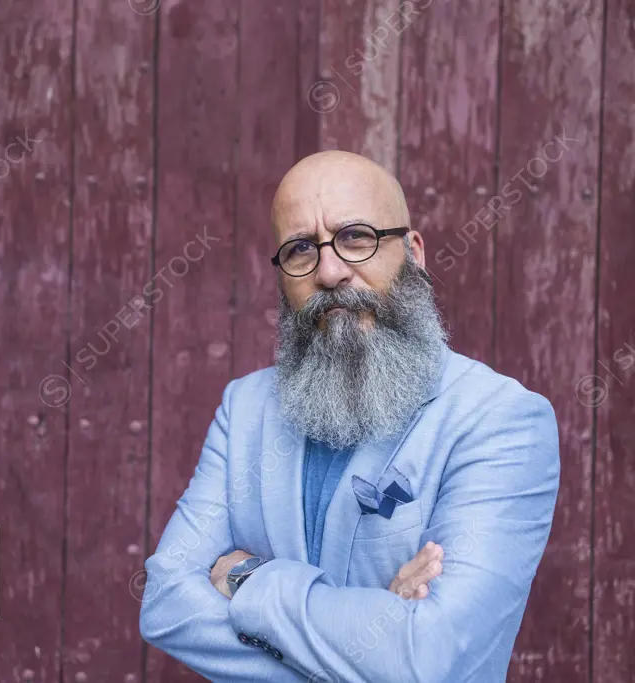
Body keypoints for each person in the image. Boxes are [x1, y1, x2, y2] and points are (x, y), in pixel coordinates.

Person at [139, 150, 560, 683]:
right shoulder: (242, 409)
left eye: (356, 237)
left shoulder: (501, 421)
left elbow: (430, 658)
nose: (331, 272)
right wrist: (376, 632)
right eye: (299, 250)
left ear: (413, 252)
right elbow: (166, 606)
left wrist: (249, 577)